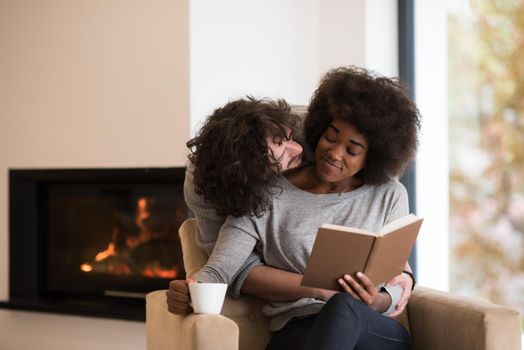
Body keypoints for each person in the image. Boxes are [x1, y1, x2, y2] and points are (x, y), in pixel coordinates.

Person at [188, 66, 421, 349]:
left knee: (342, 307)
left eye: (352, 150)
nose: (334, 153)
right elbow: (220, 269)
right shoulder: (262, 198)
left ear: (373, 156)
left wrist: (378, 299)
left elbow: (396, 282)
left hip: (371, 328)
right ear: (320, 131)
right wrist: (193, 288)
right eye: (331, 138)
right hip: (298, 327)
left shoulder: (389, 194)